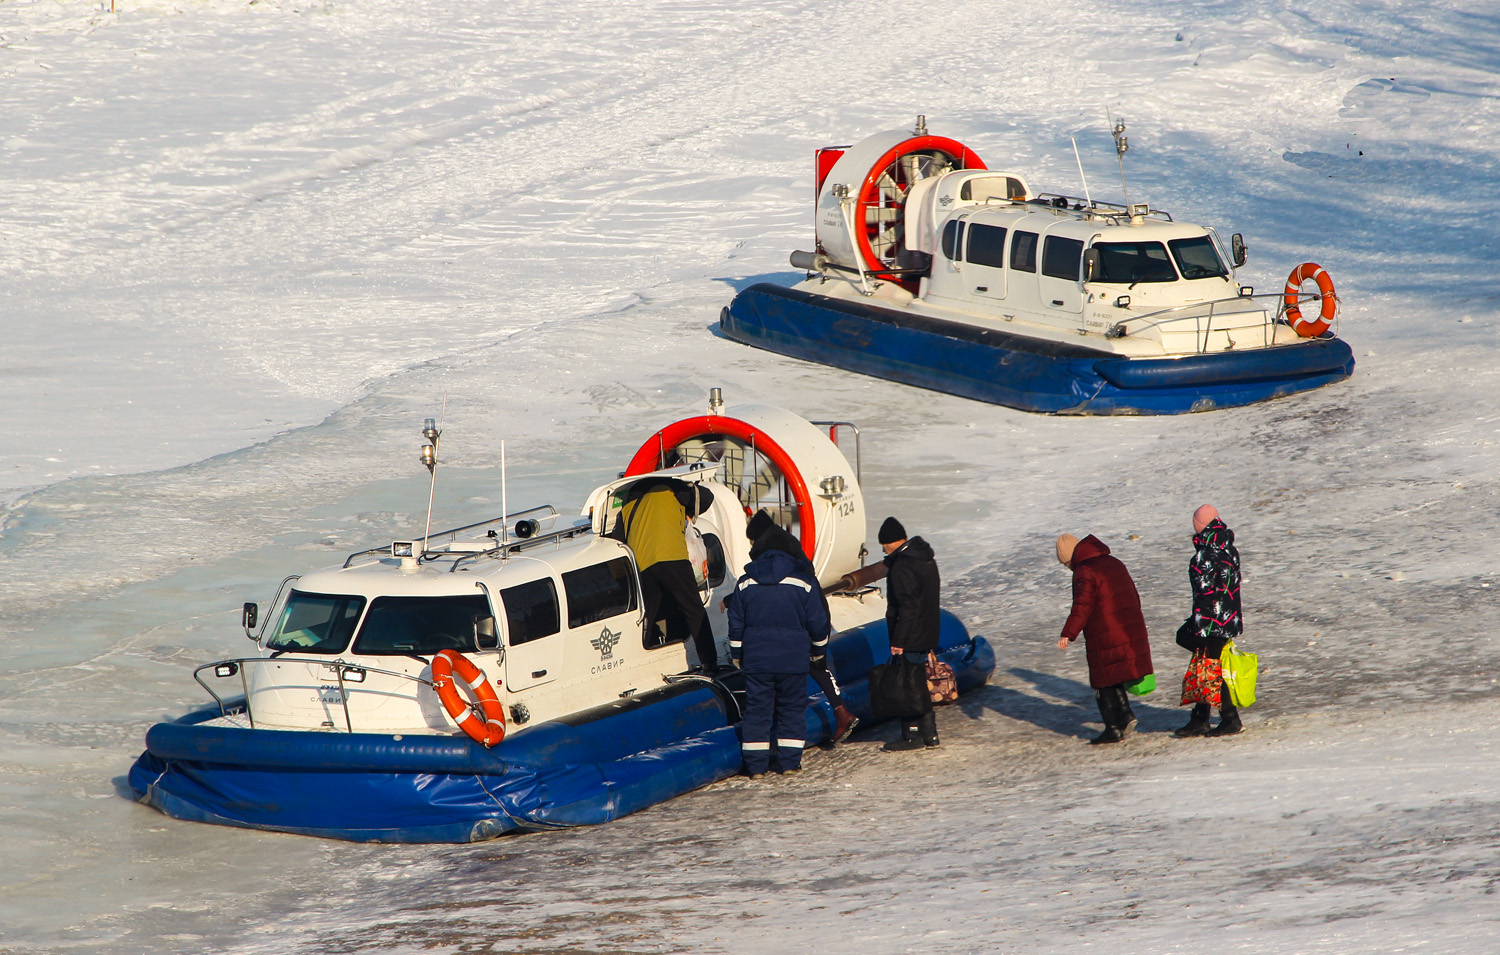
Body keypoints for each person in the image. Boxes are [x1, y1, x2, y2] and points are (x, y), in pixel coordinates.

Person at [744, 510, 859, 743]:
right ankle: (842, 713)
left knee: (784, 667)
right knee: (817, 665)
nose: (751, 544)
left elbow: (770, 587)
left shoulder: (772, 556)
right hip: (815, 608)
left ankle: (782, 730)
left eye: (752, 540)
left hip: (798, 615)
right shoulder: (791, 547)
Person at [727, 525, 831, 777]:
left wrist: (737, 654)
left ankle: (756, 767)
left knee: (757, 711)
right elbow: (819, 623)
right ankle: (789, 763)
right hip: (793, 661)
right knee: (792, 710)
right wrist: (818, 651)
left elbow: (736, 623)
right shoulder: (803, 583)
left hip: (757, 661)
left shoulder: (744, 584)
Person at [1055, 533, 1154, 745]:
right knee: (1113, 675)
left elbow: (1082, 606)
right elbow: (1133, 594)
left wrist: (1068, 633)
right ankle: (1126, 715)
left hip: (1105, 630)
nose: (1068, 568)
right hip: (1126, 625)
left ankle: (1112, 728)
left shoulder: (1084, 571)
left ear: (1071, 558)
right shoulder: (1114, 562)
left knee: (1102, 681)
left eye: (1065, 564)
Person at [617, 482, 722, 672]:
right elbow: (706, 497)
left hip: (642, 564)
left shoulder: (627, 504)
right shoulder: (670, 488)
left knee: (647, 615)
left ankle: (643, 668)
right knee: (693, 608)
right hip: (672, 556)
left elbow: (618, 540)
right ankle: (709, 663)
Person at [1175, 504, 1243, 738]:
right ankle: (1200, 718)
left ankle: (1229, 719)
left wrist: (1201, 625)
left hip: (1211, 621)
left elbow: (1205, 594)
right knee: (1204, 663)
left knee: (1207, 667)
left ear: (1199, 526)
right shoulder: (1228, 548)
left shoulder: (1205, 554)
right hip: (1228, 619)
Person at [878, 516, 942, 751]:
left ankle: (912, 736)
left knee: (910, 685)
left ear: (888, 542)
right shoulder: (923, 558)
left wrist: (898, 640)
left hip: (911, 634)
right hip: (927, 629)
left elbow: (906, 606)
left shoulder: (902, 565)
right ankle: (929, 735)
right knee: (916, 681)